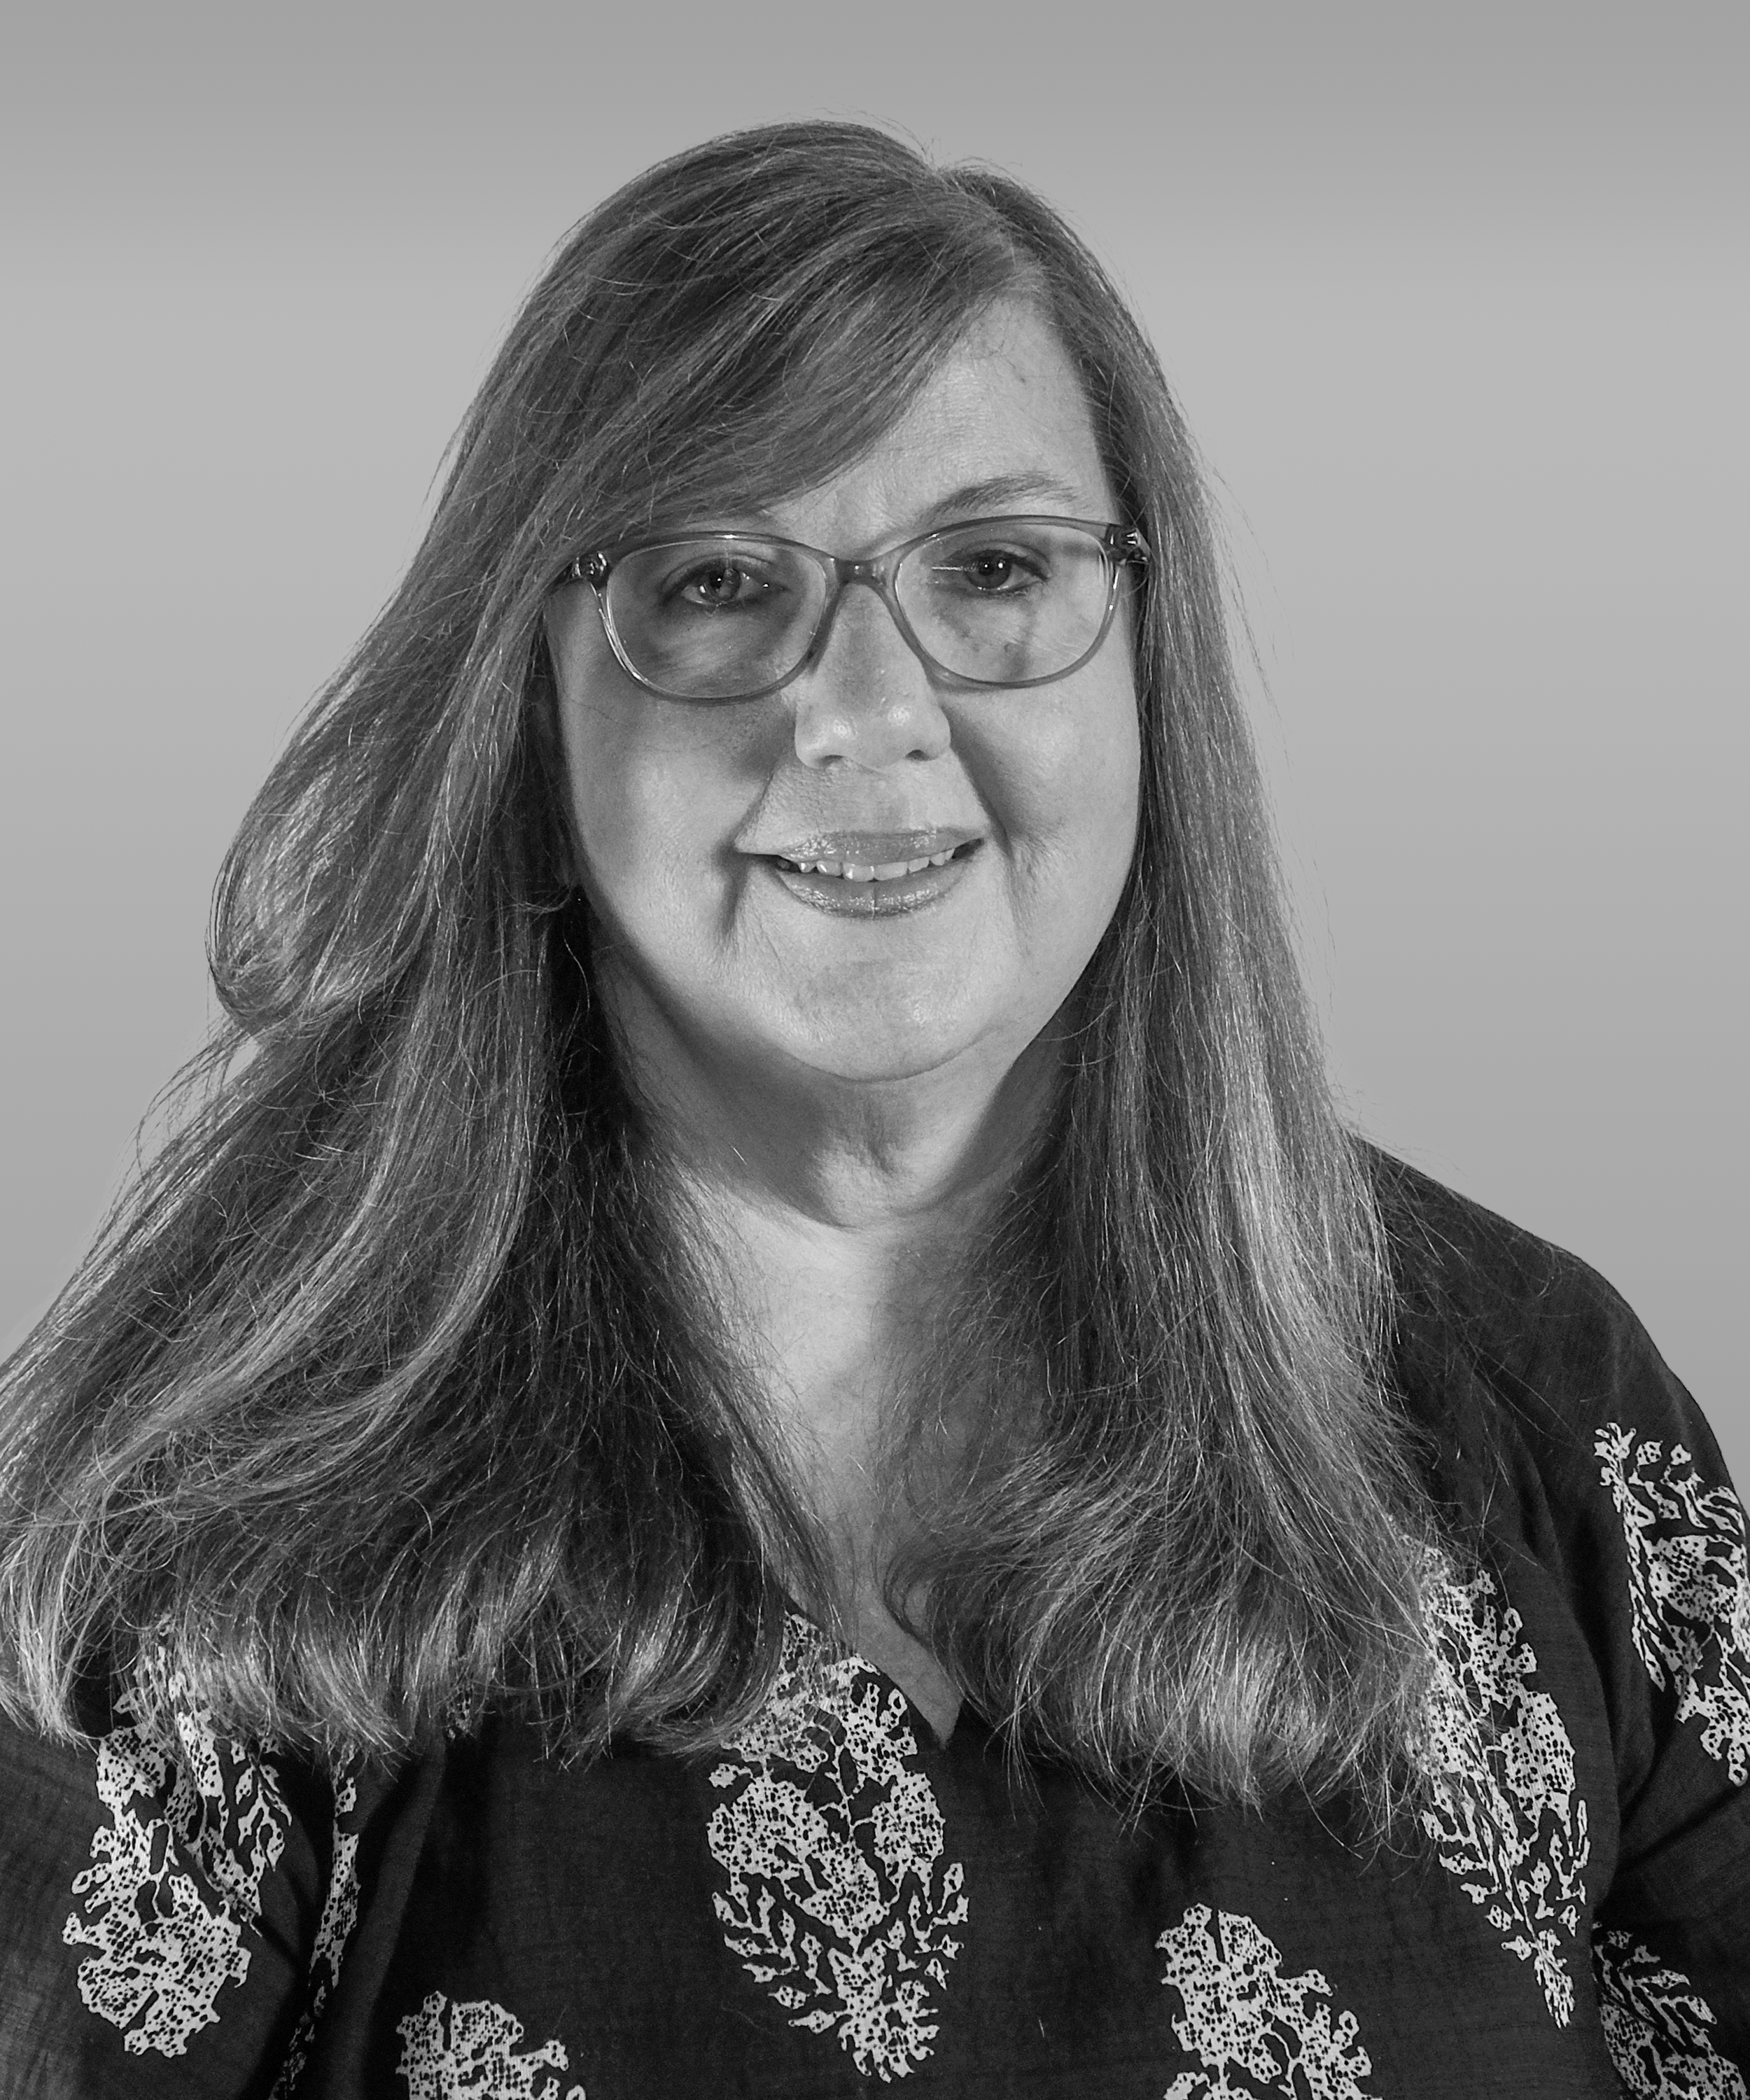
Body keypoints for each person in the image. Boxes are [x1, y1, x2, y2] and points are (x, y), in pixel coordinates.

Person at [0, 119, 1744, 2099]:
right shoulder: (222, 1516)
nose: (859, 703)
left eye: (994, 568)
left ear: (1147, 676)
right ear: (528, 717)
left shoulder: (1533, 1420)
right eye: (718, 582)